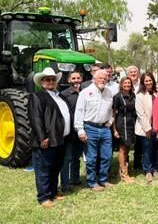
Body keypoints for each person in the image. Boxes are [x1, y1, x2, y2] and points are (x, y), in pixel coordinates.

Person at [28, 67, 71, 207]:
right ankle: (44, 197)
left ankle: (52, 192)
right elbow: (36, 118)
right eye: (48, 79)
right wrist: (42, 138)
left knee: (55, 167)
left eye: (53, 79)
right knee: (43, 169)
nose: (51, 81)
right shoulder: (37, 96)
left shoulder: (60, 96)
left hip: (60, 139)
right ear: (41, 82)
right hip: (46, 140)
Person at [74, 69, 114, 191]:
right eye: (100, 78)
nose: (103, 80)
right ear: (94, 79)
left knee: (107, 156)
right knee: (91, 158)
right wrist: (80, 130)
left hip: (105, 129)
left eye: (105, 78)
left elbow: (112, 110)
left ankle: (103, 179)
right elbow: (79, 112)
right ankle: (92, 182)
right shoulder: (85, 93)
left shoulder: (109, 93)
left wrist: (111, 121)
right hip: (90, 128)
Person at [60, 70, 83, 193]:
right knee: (67, 158)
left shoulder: (85, 93)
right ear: (68, 80)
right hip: (69, 132)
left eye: (78, 78)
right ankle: (65, 184)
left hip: (81, 131)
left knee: (76, 157)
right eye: (73, 78)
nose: (76, 81)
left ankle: (75, 179)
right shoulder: (63, 95)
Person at [112, 77, 137, 183]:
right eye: (125, 83)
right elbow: (113, 114)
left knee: (127, 148)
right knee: (122, 149)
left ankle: (121, 172)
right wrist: (114, 129)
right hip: (122, 124)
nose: (127, 85)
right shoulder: (117, 97)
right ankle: (124, 174)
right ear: (121, 84)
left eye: (129, 83)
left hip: (132, 124)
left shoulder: (133, 96)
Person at [135, 72, 158, 183]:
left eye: (150, 80)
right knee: (147, 149)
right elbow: (141, 114)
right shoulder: (140, 95)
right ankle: (148, 170)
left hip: (157, 127)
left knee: (155, 148)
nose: (148, 82)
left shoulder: (157, 93)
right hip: (146, 127)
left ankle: (155, 168)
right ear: (143, 83)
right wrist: (147, 128)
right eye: (146, 81)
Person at [127, 65, 142, 170]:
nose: (133, 73)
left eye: (135, 72)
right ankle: (125, 164)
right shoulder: (125, 84)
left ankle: (137, 163)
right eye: (131, 72)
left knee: (139, 141)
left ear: (138, 73)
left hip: (140, 116)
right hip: (128, 116)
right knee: (127, 141)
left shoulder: (142, 84)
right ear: (128, 74)